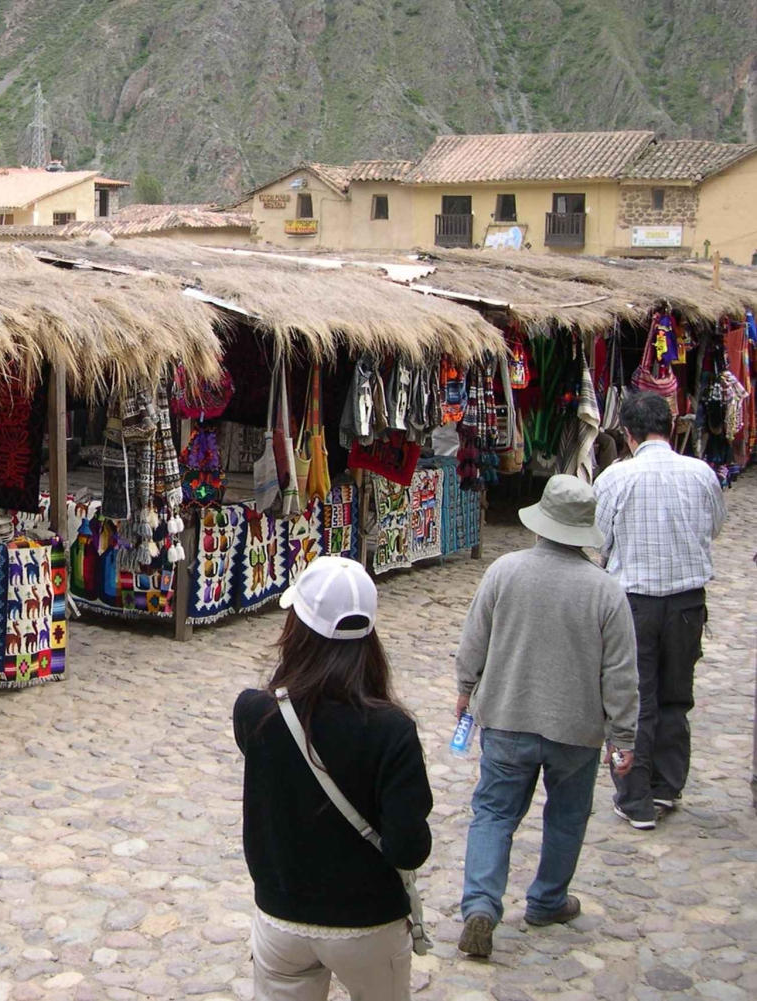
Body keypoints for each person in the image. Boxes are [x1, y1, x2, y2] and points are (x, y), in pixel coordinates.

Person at [455, 474, 638, 958]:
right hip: (575, 731)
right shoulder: (606, 592)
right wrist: (624, 736)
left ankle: (480, 904)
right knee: (567, 816)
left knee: (493, 813)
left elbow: (474, 641)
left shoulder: (504, 571)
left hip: (508, 716)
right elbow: (620, 674)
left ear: (541, 522)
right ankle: (547, 900)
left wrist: (465, 689)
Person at [234, 556, 432, 1001]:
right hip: (368, 922)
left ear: (295, 629)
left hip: (282, 914)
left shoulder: (255, 713)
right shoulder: (392, 731)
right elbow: (408, 848)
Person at [594, 391, 725, 830]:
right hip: (688, 603)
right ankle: (667, 786)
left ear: (628, 434)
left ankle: (634, 798)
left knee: (633, 699)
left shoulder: (616, 478)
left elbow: (601, 539)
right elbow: (714, 526)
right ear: (668, 428)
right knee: (675, 695)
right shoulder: (701, 473)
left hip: (634, 603)